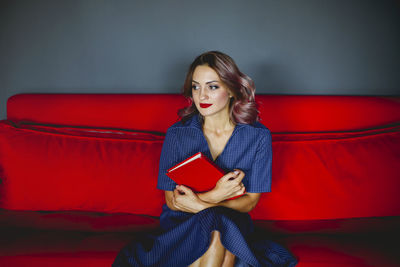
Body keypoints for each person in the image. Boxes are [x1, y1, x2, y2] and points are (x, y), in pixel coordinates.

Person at [113, 51, 297, 267]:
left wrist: (202, 202)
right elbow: (173, 202)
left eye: (212, 86)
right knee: (222, 237)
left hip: (232, 219)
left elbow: (250, 202)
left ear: (231, 90)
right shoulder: (177, 134)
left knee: (221, 226)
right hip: (182, 223)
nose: (201, 96)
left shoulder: (258, 136)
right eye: (195, 86)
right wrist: (217, 195)